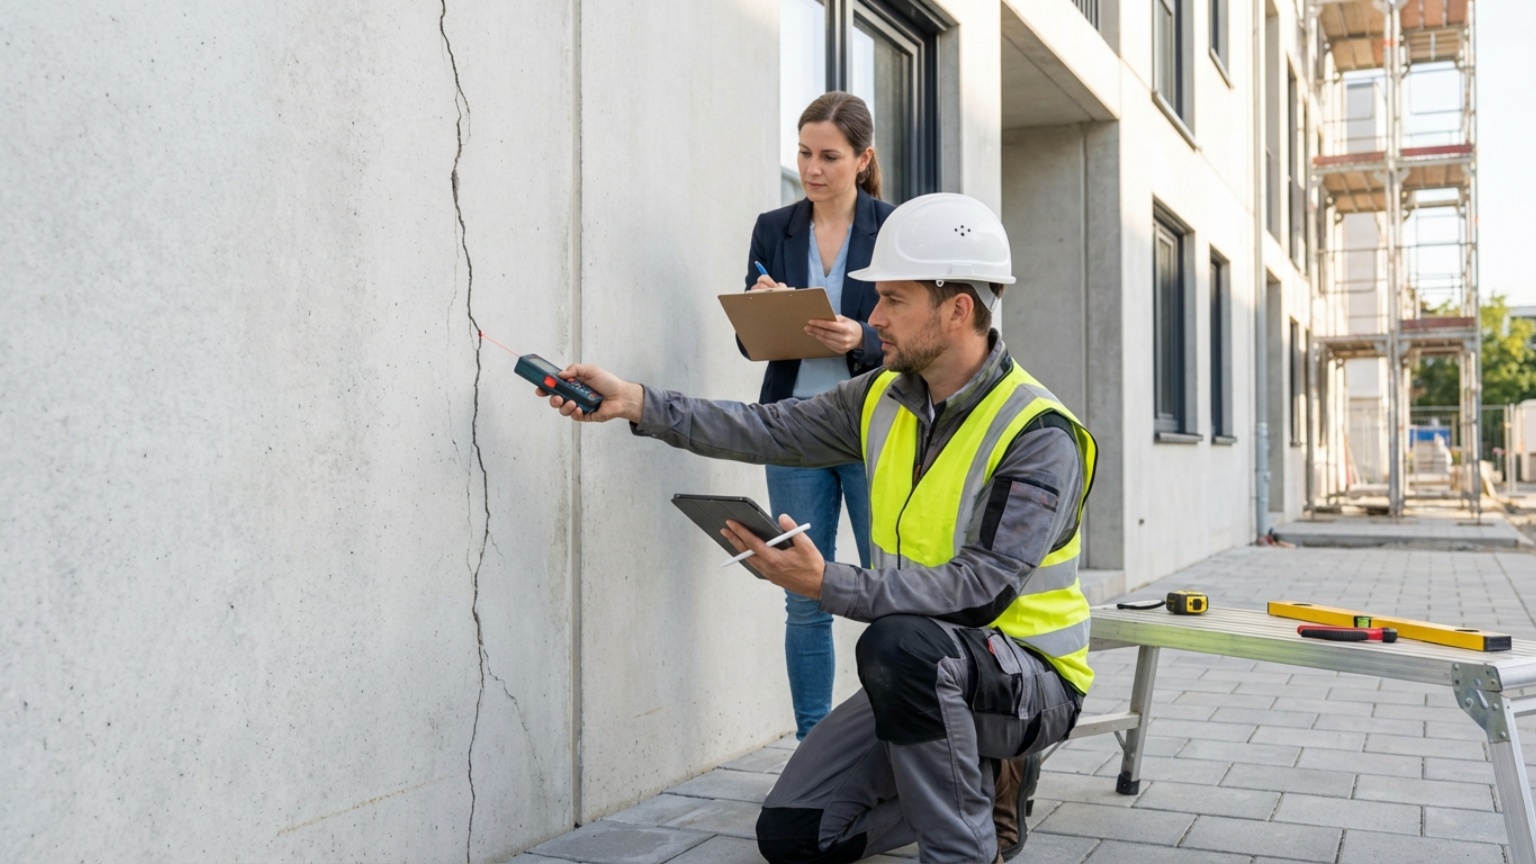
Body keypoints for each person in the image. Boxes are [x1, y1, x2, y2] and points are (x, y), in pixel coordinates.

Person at [539, 193, 1097, 864]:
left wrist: (825, 581)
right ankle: (973, 779)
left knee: (897, 647)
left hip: (1027, 681)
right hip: (929, 670)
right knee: (796, 835)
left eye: (893, 299)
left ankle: (967, 842)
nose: (873, 318)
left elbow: (982, 589)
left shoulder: (1038, 432)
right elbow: (767, 426)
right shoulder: (881, 398)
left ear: (959, 309)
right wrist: (637, 401)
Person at [743, 91, 894, 740]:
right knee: (803, 600)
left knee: (892, 597)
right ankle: (813, 748)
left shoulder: (894, 229)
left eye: (829, 156)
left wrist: (860, 338)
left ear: (862, 159)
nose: (812, 168)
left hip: (870, 429)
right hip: (792, 430)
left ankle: (897, 741)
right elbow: (750, 345)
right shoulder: (773, 228)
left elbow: (918, 337)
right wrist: (762, 313)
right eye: (804, 153)